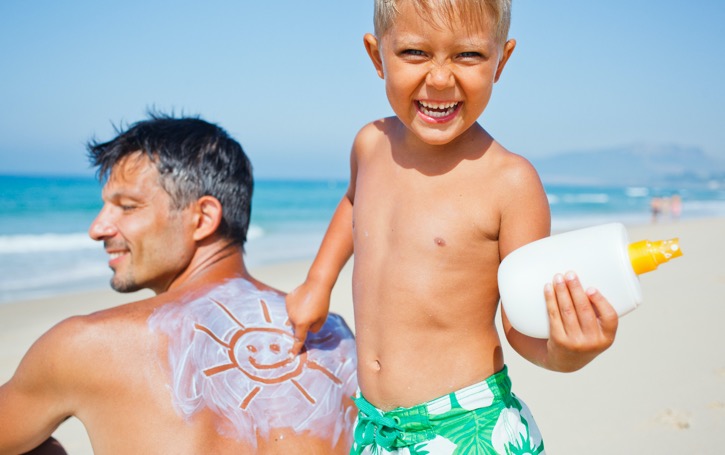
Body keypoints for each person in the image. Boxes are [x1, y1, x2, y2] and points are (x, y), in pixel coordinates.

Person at [286, 1, 619, 453]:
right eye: (414, 53)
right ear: (375, 55)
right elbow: (352, 203)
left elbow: (521, 322)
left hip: (470, 426)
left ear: (501, 61)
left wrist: (566, 353)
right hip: (376, 426)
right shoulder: (370, 144)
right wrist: (317, 282)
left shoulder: (510, 183)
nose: (440, 79)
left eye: (468, 56)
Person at [0, 114, 357, 454]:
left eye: (127, 206)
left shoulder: (87, 344)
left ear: (202, 218)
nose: (98, 228)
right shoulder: (334, 339)